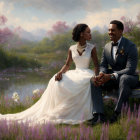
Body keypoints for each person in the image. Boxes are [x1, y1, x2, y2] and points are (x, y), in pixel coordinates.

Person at [0, 23, 99, 125]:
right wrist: (60, 73)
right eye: (88, 32)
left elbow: (96, 65)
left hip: (86, 73)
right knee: (56, 80)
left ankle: (77, 111)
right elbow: (67, 64)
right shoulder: (72, 48)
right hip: (76, 72)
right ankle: (59, 109)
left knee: (84, 82)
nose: (90, 34)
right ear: (82, 34)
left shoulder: (92, 48)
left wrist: (96, 76)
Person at [90, 20, 139, 124]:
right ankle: (99, 115)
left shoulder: (131, 46)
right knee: (93, 80)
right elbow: (103, 65)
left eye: (113, 30)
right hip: (112, 77)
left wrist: (112, 76)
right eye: (109, 30)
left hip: (129, 77)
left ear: (121, 31)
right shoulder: (107, 46)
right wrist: (102, 74)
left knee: (124, 78)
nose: (110, 32)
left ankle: (117, 113)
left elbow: (130, 69)